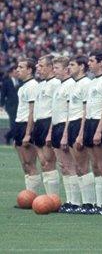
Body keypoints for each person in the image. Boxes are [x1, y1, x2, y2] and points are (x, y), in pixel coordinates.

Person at [67, 55, 97, 214]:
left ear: (81, 67)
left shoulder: (86, 84)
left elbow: (86, 110)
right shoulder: (73, 84)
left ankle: (89, 203)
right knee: (76, 166)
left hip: (80, 123)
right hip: (72, 123)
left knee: (83, 165)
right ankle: (78, 202)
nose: (69, 67)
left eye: (72, 64)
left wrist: (80, 133)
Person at [50, 56, 81, 213]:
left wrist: (65, 133)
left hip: (64, 126)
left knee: (70, 165)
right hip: (56, 126)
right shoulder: (59, 85)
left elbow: (71, 111)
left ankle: (76, 201)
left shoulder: (70, 86)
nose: (54, 70)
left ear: (66, 69)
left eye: (57, 68)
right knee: (63, 166)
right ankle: (70, 200)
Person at [84, 50, 102, 214]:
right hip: (89, 121)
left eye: (92, 61)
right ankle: (97, 203)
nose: (89, 64)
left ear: (101, 62)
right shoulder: (91, 81)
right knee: (95, 165)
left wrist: (99, 130)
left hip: (99, 123)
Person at [33, 55, 60, 195]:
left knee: (50, 162)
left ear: (50, 67)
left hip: (48, 122)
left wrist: (50, 130)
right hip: (38, 123)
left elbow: (56, 108)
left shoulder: (56, 83)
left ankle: (53, 198)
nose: (38, 68)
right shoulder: (40, 85)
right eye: (38, 65)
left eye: (41, 65)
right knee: (43, 163)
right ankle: (48, 196)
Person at [14, 58, 40, 194]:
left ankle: (32, 196)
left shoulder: (33, 86)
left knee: (30, 163)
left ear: (30, 70)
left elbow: (32, 111)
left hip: (26, 125)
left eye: (21, 67)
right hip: (19, 125)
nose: (17, 70)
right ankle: (29, 195)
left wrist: (28, 133)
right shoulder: (23, 87)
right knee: (24, 165)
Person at [1, 68, 20, 144]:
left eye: (17, 72)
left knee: (18, 123)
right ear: (11, 74)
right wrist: (1, 105)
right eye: (15, 72)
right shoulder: (6, 82)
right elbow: (3, 94)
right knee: (13, 123)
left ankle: (8, 136)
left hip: (19, 106)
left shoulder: (20, 82)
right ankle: (15, 140)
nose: (17, 74)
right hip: (10, 106)